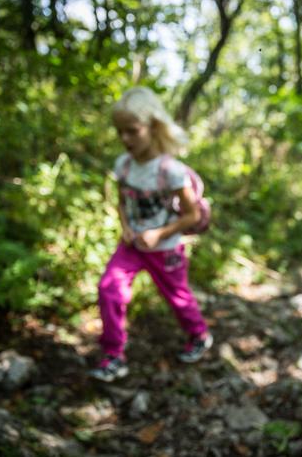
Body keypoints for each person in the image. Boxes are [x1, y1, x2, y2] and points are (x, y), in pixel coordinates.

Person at [89, 86, 213, 382]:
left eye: (132, 131)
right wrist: (127, 228)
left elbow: (192, 215)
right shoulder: (124, 165)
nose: (125, 139)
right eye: (120, 132)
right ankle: (113, 355)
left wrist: (159, 234)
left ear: (153, 126)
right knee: (109, 289)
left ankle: (198, 335)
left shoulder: (171, 171)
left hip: (165, 248)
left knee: (177, 296)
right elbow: (122, 202)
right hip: (131, 245)